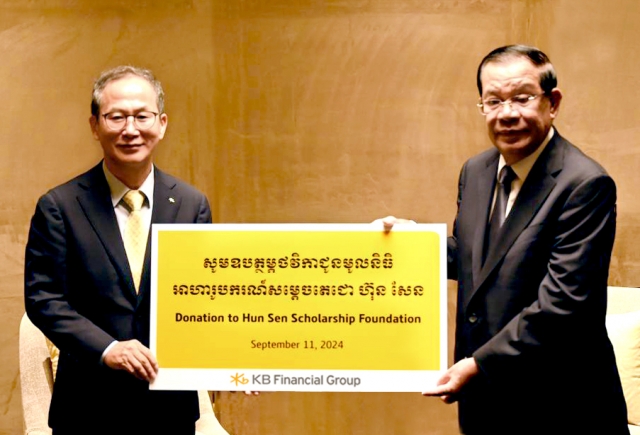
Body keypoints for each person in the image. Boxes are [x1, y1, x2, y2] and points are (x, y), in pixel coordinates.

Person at [382, 45, 629, 434]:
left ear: (553, 103)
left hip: (561, 407)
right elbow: (477, 259)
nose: (508, 113)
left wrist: (478, 363)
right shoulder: (477, 171)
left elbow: (564, 304)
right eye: (493, 101)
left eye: (522, 98)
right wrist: (411, 245)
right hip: (488, 403)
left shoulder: (585, 184)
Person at [24, 66, 212, 435]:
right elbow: (44, 299)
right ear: (95, 125)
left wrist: (239, 360)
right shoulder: (60, 206)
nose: (131, 129)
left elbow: (204, 298)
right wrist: (108, 348)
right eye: (116, 117)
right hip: (89, 408)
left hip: (169, 409)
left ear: (161, 123)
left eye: (141, 116)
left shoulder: (191, 204)